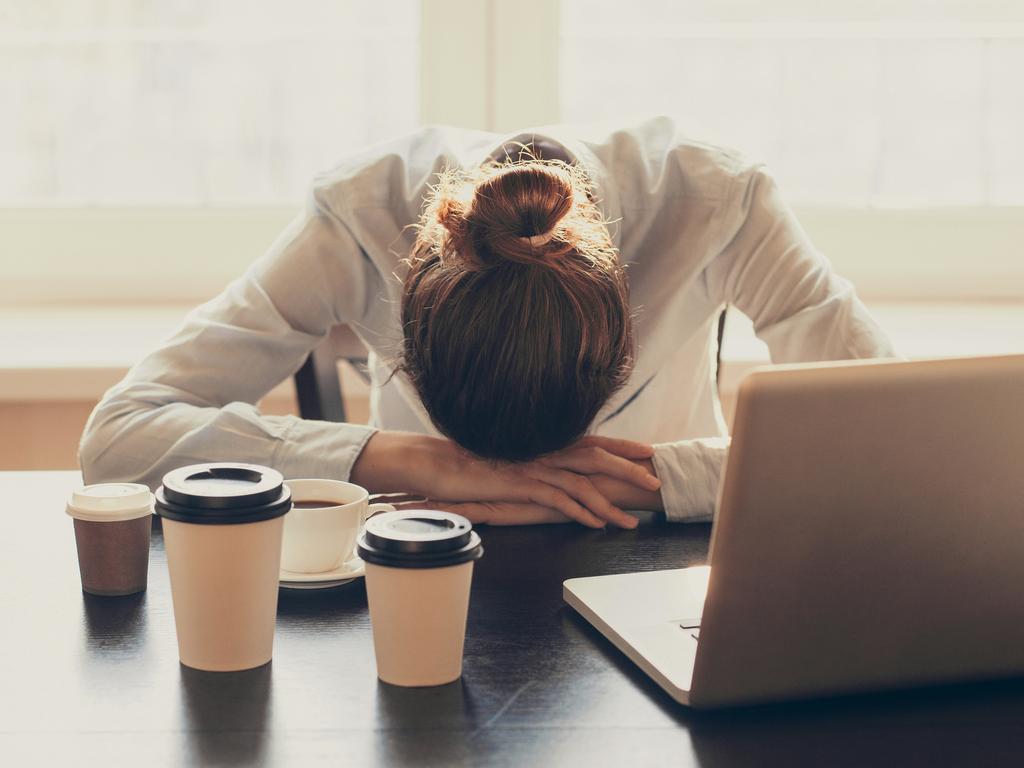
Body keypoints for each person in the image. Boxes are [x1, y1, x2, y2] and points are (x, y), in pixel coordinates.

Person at [79, 116, 895, 528]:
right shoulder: (361, 212)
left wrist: (651, 479)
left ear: (622, 331)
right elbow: (120, 436)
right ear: (409, 327)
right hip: (426, 543)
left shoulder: (721, 201)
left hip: (657, 557)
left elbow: (896, 438)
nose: (531, 478)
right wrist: (411, 461)